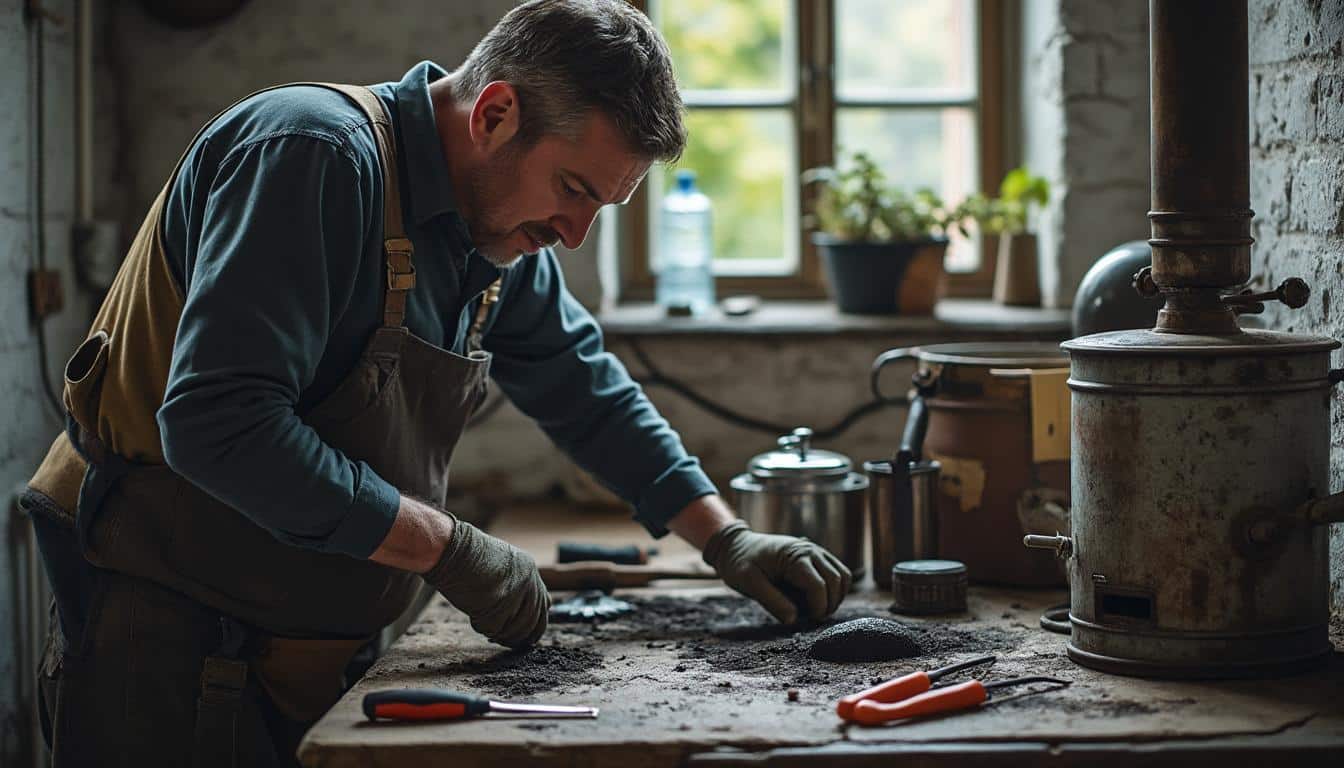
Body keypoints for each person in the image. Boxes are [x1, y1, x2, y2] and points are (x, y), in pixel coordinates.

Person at [23, 1, 851, 764]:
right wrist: (446, 547)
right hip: (168, 625)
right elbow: (219, 424)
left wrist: (722, 537)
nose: (573, 235)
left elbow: (579, 383)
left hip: (307, 628)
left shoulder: (491, 233)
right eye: (573, 190)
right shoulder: (312, 156)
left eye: (602, 208)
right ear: (494, 114)